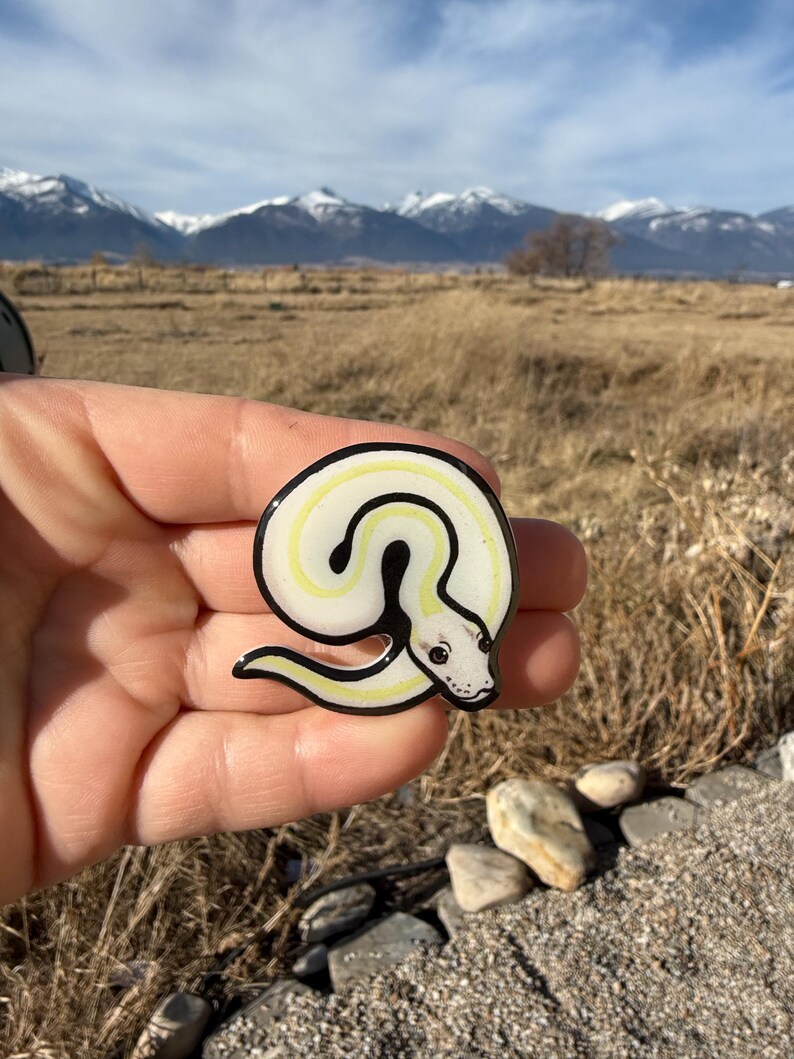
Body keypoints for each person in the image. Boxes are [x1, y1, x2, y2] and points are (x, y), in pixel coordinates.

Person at [0, 375, 586, 906]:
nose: (466, 677)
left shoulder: (443, 561)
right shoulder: (375, 576)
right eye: (440, 657)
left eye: (465, 651)